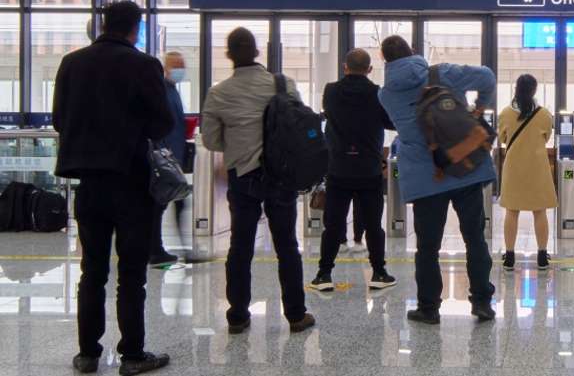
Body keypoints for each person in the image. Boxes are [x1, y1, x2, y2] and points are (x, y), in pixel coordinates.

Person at [53, 0, 175, 375]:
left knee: (92, 270)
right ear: (135, 29)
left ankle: (87, 353)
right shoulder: (143, 65)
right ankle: (132, 355)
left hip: (89, 183)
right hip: (131, 181)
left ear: (104, 24)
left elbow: (59, 120)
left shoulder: (71, 63)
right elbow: (161, 124)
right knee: (131, 273)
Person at [201, 28, 315, 335]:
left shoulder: (218, 93)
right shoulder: (283, 84)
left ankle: (238, 315)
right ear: (256, 52)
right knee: (287, 245)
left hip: (243, 176)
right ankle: (296, 315)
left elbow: (210, 141)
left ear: (229, 55)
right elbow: (298, 126)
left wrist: (237, 145)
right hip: (281, 176)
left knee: (240, 247)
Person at [377, 35, 498, 325]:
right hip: (465, 166)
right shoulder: (442, 73)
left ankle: (429, 308)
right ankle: (482, 302)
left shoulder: (386, 95)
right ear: (413, 51)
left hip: (425, 177)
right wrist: (479, 108)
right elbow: (487, 77)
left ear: (384, 60)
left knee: (427, 247)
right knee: (475, 238)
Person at [309, 49, 397, 293]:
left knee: (333, 225)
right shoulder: (378, 93)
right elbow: (390, 122)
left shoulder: (331, 91)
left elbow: (330, 113)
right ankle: (379, 273)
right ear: (369, 69)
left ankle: (323, 274)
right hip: (369, 168)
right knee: (373, 225)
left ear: (345, 67)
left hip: (338, 168)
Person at [498, 74, 556, 271]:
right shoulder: (544, 114)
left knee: (511, 211)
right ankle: (542, 256)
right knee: (539, 211)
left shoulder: (505, 113)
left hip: (513, 167)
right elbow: (546, 137)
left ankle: (509, 257)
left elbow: (503, 138)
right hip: (537, 167)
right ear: (534, 90)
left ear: (516, 88)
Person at [149, 51, 189, 267]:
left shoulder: (173, 91)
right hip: (164, 156)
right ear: (166, 67)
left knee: (171, 203)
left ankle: (158, 248)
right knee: (160, 205)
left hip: (173, 156)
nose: (180, 69)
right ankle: (155, 250)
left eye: (182, 65)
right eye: (176, 65)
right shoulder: (162, 91)